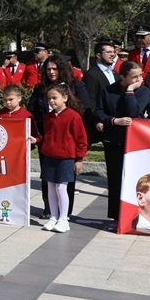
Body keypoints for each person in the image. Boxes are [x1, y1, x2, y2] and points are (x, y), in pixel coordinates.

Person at [94, 61, 150, 227]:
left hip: (135, 143)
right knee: (115, 179)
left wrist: (130, 91)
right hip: (113, 140)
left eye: (140, 75)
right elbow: (99, 111)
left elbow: (134, 112)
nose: (139, 79)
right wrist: (112, 121)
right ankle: (116, 215)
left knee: (135, 180)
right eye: (134, 77)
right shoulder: (108, 90)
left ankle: (135, 214)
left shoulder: (144, 90)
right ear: (122, 77)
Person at [39, 84, 87, 233]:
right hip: (50, 156)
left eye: (55, 98)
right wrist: (38, 140)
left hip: (66, 158)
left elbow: (81, 139)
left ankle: (63, 218)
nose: (51, 101)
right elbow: (46, 135)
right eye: (49, 98)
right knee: (51, 188)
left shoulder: (73, 116)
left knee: (61, 188)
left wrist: (79, 159)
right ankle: (53, 217)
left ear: (65, 98)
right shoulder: (48, 117)